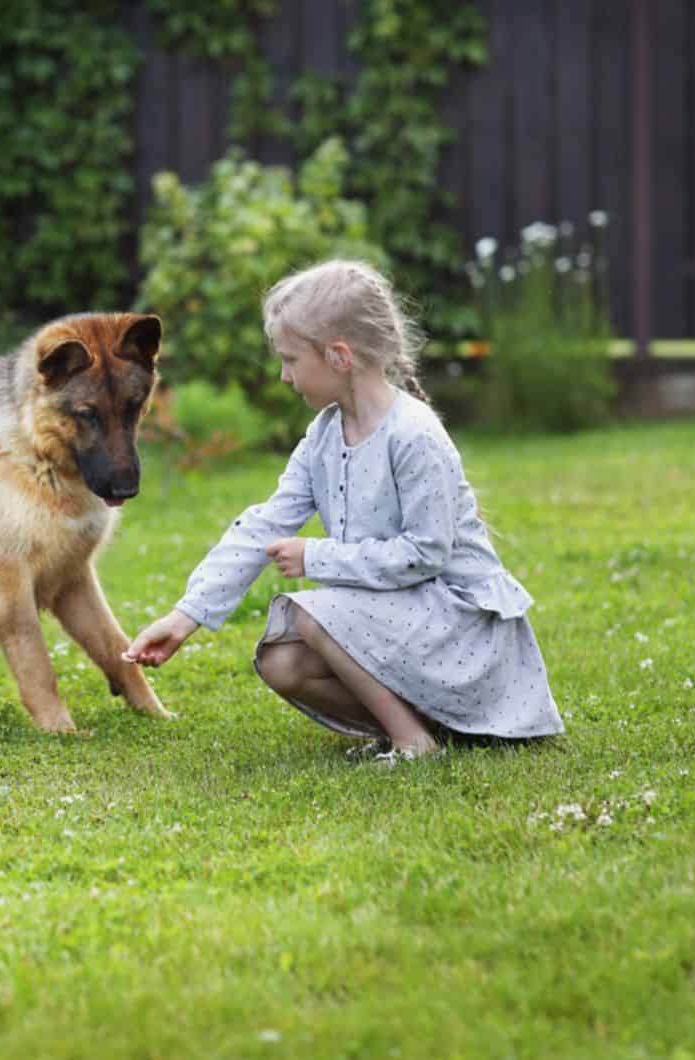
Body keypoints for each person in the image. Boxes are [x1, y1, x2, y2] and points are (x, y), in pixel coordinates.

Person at [123, 260, 563, 761]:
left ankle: (414, 743)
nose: (284, 376)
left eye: (290, 360)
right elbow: (263, 525)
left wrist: (318, 558)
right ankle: (429, 728)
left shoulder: (414, 435)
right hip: (400, 621)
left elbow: (427, 553)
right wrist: (186, 616)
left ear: (339, 356)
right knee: (282, 662)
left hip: (458, 630)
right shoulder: (324, 434)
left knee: (312, 614)